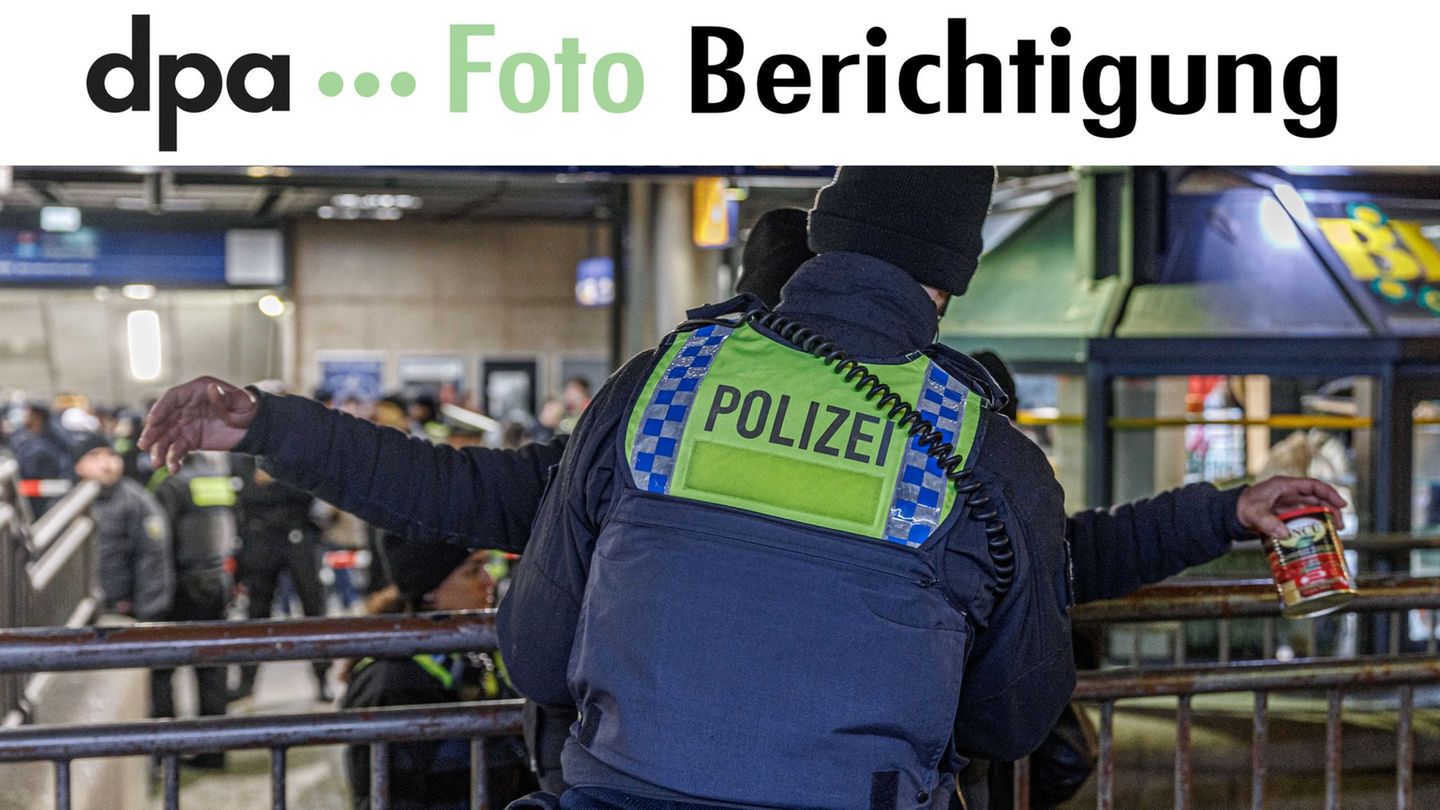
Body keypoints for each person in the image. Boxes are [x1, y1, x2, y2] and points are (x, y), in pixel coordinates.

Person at [140, 196, 1343, 801]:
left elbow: (474, 504)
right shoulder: (953, 435)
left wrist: (272, 428)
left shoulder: (666, 402)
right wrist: (1220, 514)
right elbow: (1031, 617)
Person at [342, 539, 536, 809]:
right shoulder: (390, 683)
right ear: (429, 591)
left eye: (486, 566)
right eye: (473, 571)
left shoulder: (469, 654)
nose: (489, 581)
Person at [151, 450, 238, 768]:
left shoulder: (171, 483)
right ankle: (214, 752)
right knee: (212, 666)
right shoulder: (218, 480)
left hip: (181, 582)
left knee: (162, 667)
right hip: (217, 580)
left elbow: (160, 540)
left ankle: (166, 752)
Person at [230, 454, 333, 702]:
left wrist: (274, 479)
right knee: (256, 613)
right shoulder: (244, 457)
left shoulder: (294, 450)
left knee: (314, 609)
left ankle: (323, 679)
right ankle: (246, 682)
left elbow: (307, 491)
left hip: (298, 536)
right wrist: (285, 481)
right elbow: (248, 494)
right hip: (261, 539)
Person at [74, 435, 173, 621]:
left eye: (112, 455)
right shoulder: (67, 504)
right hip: (75, 614)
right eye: (95, 455)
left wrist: (148, 614)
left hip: (120, 613)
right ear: (78, 464)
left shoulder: (137, 503)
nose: (106, 464)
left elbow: (153, 557)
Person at [11, 402, 74, 516]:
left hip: (45, 504)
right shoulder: (24, 437)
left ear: (36, 416)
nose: (24, 416)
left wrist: (19, 488)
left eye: (27, 412)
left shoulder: (50, 444)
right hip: (27, 501)